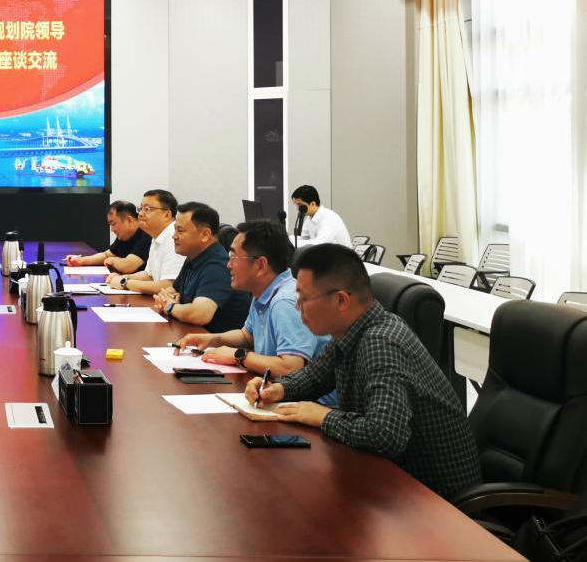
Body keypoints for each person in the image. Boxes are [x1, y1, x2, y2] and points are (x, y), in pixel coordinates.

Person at [244, 244, 481, 500]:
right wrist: (279, 389)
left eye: (303, 298)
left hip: (436, 500)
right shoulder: (351, 332)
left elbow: (385, 434)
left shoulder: (381, 342)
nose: (297, 306)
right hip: (393, 481)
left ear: (341, 300)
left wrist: (324, 416)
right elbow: (315, 376)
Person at [176, 220, 330, 378]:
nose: (228, 265)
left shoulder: (285, 302)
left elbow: (290, 368)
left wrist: (238, 356)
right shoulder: (264, 291)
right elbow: (247, 337)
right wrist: (211, 339)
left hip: (310, 394)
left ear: (260, 265)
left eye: (234, 258)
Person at [152, 202, 251, 332]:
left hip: (218, 341)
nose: (174, 236)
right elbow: (172, 290)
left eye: (180, 230)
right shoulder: (193, 256)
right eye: (175, 229)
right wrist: (168, 298)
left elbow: (199, 314)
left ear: (205, 235)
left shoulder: (218, 266)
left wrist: (171, 307)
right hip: (192, 334)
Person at [104, 190, 185, 294]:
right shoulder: (156, 236)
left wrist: (125, 282)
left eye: (147, 209)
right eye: (141, 208)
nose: (141, 214)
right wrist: (123, 277)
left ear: (166, 215)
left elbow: (169, 286)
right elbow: (149, 275)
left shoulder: (174, 237)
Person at [65, 201, 151, 274]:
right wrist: (81, 260)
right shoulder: (124, 236)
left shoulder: (147, 235)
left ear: (129, 220)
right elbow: (106, 255)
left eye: (113, 224)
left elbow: (127, 266)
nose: (112, 229)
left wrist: (112, 260)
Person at [290, 184, 352, 249]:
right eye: (296, 205)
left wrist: (293, 243)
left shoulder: (329, 218)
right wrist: (288, 240)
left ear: (313, 204)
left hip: (341, 255)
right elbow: (303, 238)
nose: (298, 208)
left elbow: (319, 244)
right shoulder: (309, 219)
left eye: (299, 205)